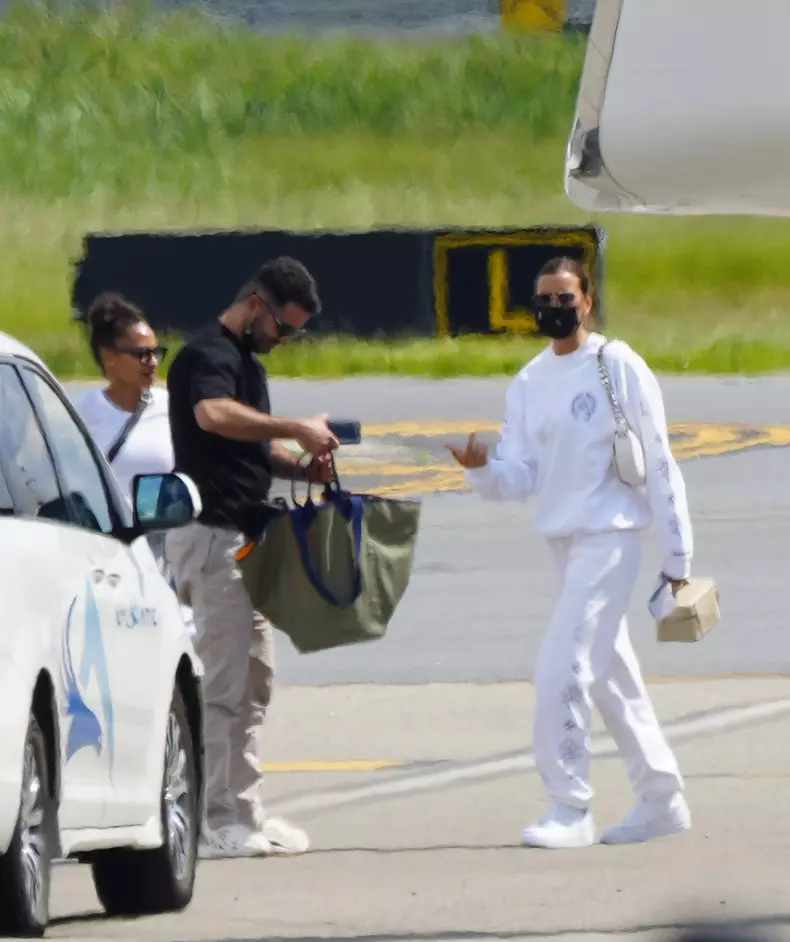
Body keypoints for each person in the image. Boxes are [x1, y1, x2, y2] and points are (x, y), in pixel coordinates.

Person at [448, 256, 693, 850]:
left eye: (565, 298)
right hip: (562, 540)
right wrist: (483, 472)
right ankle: (662, 798)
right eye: (544, 299)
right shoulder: (530, 381)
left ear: (587, 301)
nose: (554, 309)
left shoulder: (618, 364)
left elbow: (658, 460)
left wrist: (679, 555)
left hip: (609, 537)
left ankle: (570, 805)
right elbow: (521, 473)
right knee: (610, 674)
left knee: (563, 668)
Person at [164, 256, 339, 860]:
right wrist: (295, 425)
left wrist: (300, 463)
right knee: (224, 685)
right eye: (283, 329)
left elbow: (254, 451)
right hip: (212, 539)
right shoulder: (208, 356)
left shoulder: (247, 366)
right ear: (257, 305)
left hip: (246, 538)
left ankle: (244, 810)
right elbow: (211, 416)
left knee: (255, 680)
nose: (284, 341)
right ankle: (214, 820)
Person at [74, 293, 196, 633]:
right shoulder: (83, 415)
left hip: (165, 557)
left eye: (156, 352)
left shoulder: (172, 407)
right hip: (105, 559)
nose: (153, 362)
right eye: (142, 354)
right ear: (109, 358)